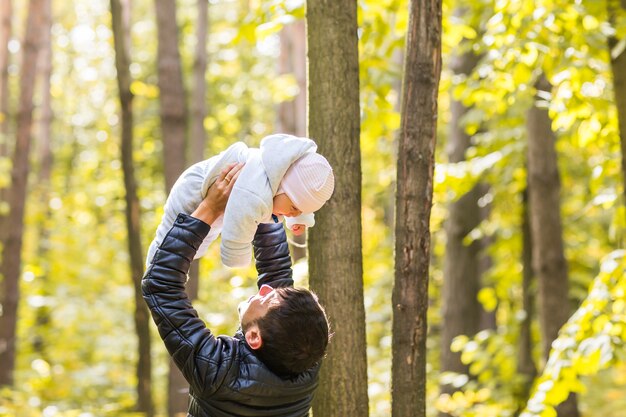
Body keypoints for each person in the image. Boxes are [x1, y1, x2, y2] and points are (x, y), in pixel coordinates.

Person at [142, 163, 331, 417]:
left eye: (266, 299)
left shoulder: (218, 373)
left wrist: (209, 208)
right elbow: (276, 276)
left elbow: (160, 286)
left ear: (254, 337)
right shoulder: (304, 358)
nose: (264, 290)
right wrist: (261, 201)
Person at [145, 133, 335, 268]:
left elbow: (295, 198)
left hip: (216, 204)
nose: (293, 214)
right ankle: (153, 266)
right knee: (167, 245)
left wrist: (297, 217)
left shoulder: (280, 178)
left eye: (300, 212)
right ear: (282, 186)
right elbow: (236, 233)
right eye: (294, 208)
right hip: (193, 191)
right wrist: (238, 260)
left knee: (196, 248)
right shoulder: (254, 193)